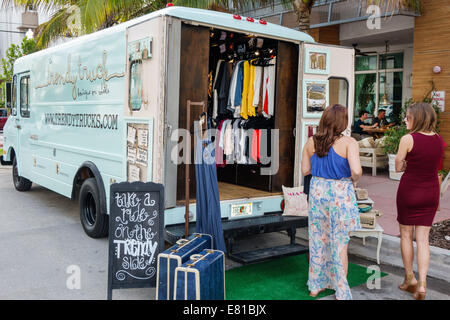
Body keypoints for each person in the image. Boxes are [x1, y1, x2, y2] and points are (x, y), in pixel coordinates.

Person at [301, 104, 362, 300]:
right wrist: (354, 180)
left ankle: (315, 286)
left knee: (318, 241)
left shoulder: (312, 141)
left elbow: (305, 170)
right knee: (340, 243)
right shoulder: (349, 142)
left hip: (318, 192)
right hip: (340, 194)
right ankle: (340, 290)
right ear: (343, 122)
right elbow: (357, 171)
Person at [396, 103, 445, 300]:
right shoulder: (439, 140)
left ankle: (410, 279)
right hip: (431, 191)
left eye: (408, 117)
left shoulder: (407, 139)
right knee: (423, 239)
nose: (405, 120)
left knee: (406, 235)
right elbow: (436, 166)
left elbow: (398, 166)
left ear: (418, 118)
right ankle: (423, 284)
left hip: (410, 191)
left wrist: (407, 162)